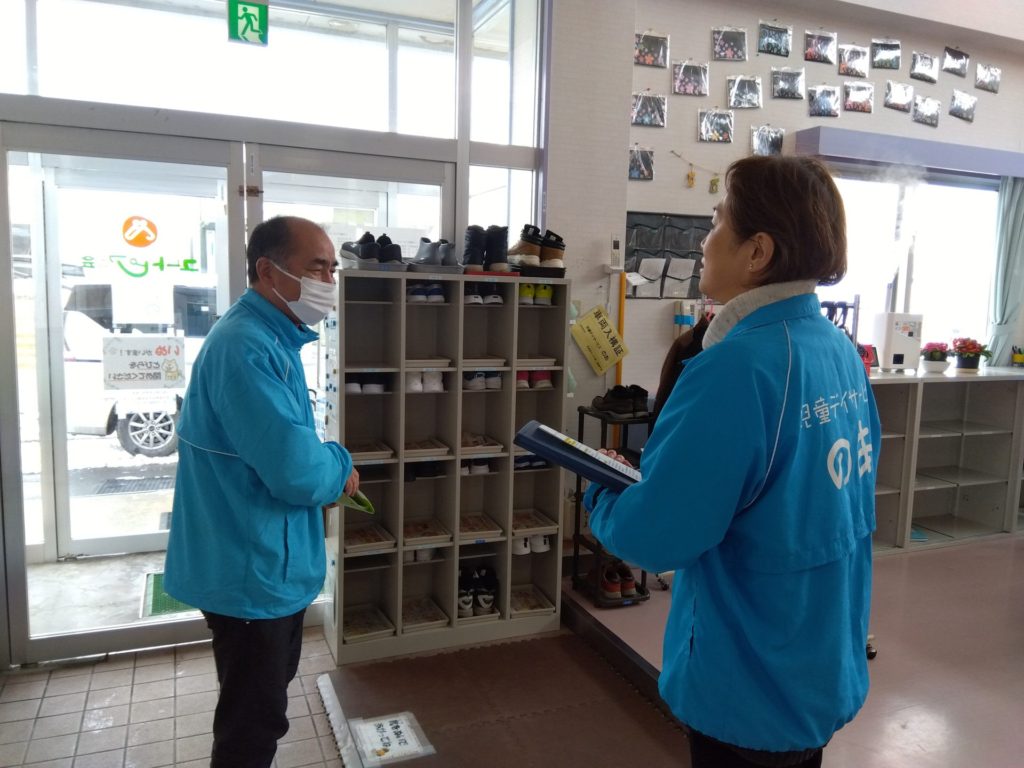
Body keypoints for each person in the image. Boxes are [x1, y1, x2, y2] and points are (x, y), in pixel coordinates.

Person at [585, 155, 880, 768]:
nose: (703, 240)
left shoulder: (734, 368)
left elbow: (657, 537)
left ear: (758, 252)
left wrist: (601, 490)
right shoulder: (838, 351)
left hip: (748, 675)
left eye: (717, 220)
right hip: (818, 658)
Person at [164, 215, 358, 767]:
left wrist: (322, 464)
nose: (329, 282)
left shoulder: (270, 337)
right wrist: (339, 464)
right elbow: (297, 471)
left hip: (260, 563)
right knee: (252, 725)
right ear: (268, 271)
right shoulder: (246, 347)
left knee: (257, 711)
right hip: (251, 570)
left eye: (333, 269)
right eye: (317, 268)